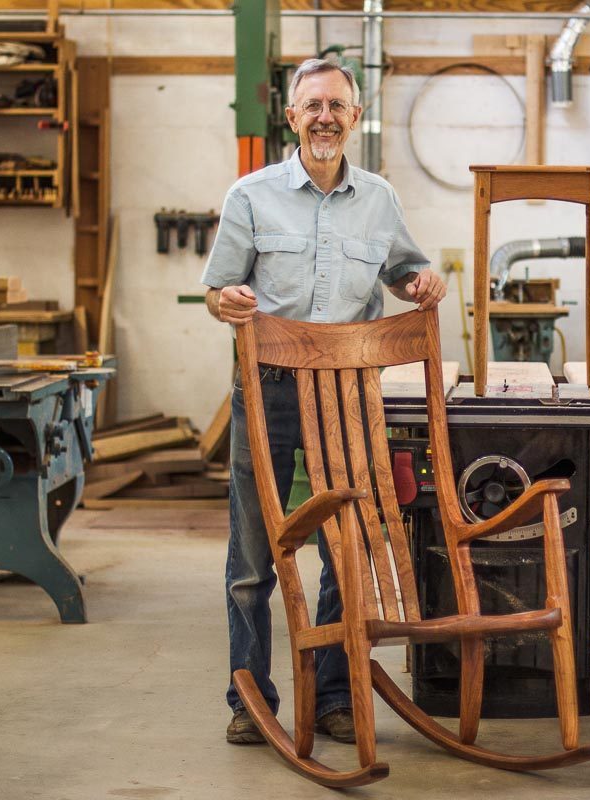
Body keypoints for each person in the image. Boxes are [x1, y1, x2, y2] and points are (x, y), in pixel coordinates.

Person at [200, 58, 446, 747]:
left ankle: (336, 695)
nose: (324, 117)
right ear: (292, 117)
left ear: (355, 117)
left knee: (346, 546)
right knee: (254, 554)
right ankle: (250, 697)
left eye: (337, 105)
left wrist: (422, 282)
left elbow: (404, 270)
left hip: (347, 394)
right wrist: (228, 302)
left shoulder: (379, 199)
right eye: (312, 106)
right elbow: (216, 290)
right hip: (269, 390)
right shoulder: (251, 195)